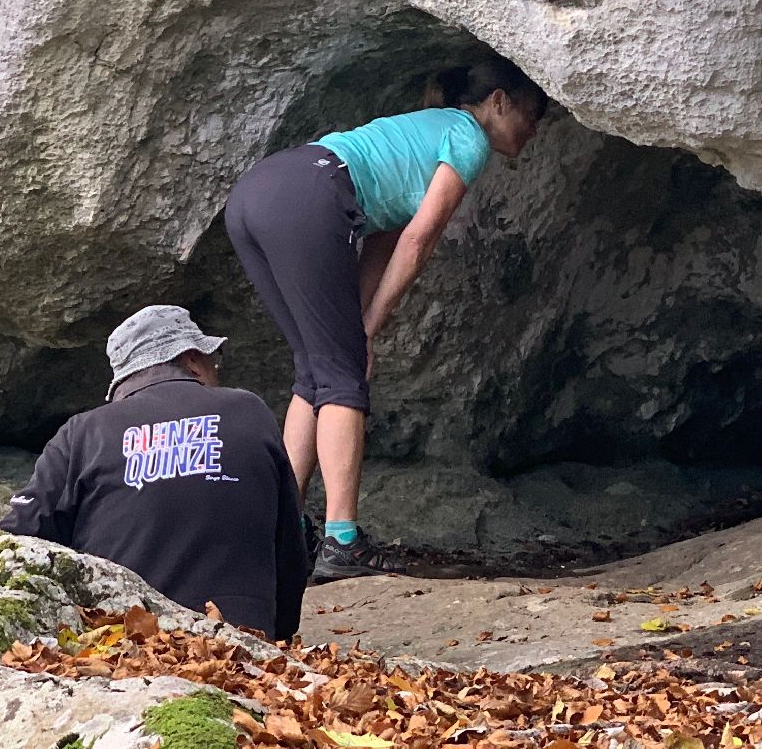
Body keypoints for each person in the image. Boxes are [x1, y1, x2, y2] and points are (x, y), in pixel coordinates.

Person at [226, 59, 548, 581]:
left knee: (316, 368)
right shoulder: (468, 137)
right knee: (342, 373)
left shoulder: (419, 133)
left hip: (256, 194)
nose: (533, 130)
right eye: (531, 115)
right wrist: (366, 332)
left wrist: (356, 326)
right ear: (498, 102)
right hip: (312, 192)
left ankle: (283, 532)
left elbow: (383, 235)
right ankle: (342, 541)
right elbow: (418, 240)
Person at [0, 305, 308, 639]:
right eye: (212, 361)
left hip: (124, 646)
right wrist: (277, 637)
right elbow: (290, 546)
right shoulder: (248, 410)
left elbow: (16, 540)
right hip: (239, 640)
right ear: (192, 360)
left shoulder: (84, 433)